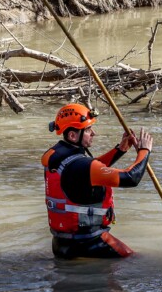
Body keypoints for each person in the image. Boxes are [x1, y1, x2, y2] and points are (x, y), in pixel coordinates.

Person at [41, 103, 153, 259]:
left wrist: (120, 150)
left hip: (61, 244)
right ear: (73, 135)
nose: (93, 133)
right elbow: (130, 178)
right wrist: (144, 151)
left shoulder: (54, 155)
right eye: (87, 130)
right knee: (136, 260)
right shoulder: (83, 166)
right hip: (91, 243)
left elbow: (91, 170)